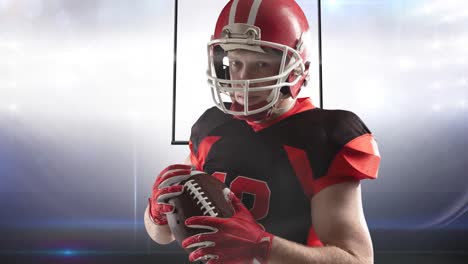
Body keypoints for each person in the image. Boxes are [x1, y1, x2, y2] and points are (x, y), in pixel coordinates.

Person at [144, 0, 381, 263]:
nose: (243, 79)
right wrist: (156, 213)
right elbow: (162, 234)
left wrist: (262, 246)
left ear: (295, 68)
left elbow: (357, 259)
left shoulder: (322, 137)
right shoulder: (212, 127)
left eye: (260, 64)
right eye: (235, 63)